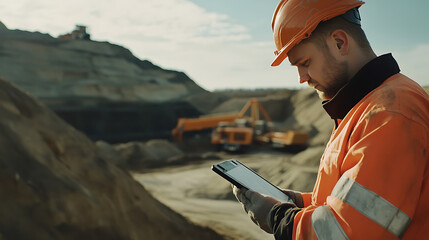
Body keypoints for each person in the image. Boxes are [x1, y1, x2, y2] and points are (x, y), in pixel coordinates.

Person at [232, 0, 429, 239]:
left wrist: (279, 218)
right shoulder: (364, 107)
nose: (302, 78)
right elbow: (352, 204)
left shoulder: (389, 112)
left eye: (305, 63)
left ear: (339, 42)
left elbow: (352, 232)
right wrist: (297, 203)